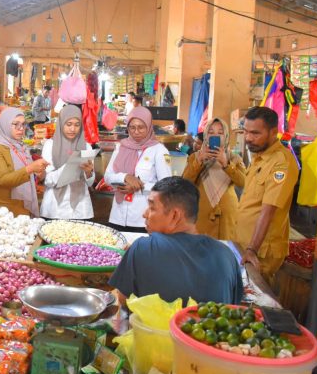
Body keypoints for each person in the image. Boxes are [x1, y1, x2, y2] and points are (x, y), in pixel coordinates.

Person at [109, 177, 243, 304]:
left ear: (174, 216)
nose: (145, 214)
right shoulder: (226, 254)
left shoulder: (142, 247)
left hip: (154, 328)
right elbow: (233, 303)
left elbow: (124, 299)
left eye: (152, 207)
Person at [231, 107, 299, 282]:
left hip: (260, 250)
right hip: (244, 243)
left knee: (255, 299)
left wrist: (252, 249)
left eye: (255, 133)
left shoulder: (281, 163)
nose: (248, 138)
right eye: (245, 132)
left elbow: (268, 210)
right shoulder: (259, 157)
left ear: (273, 132)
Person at [105, 106, 172, 232]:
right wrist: (125, 177)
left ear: (148, 126)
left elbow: (166, 186)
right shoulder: (121, 147)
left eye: (141, 127)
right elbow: (108, 177)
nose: (136, 131)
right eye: (132, 127)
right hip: (118, 216)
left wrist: (138, 186)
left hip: (143, 219)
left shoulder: (159, 150)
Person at [182, 118, 246, 240]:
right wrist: (199, 161)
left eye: (220, 133)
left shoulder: (234, 158)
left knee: (225, 251)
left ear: (226, 136)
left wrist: (226, 164)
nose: (215, 135)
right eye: (211, 132)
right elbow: (185, 182)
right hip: (201, 213)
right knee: (201, 251)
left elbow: (243, 182)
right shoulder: (195, 157)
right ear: (206, 135)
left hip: (227, 216)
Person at [0, 108, 48, 216]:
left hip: (21, 209)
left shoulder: (20, 147)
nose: (21, 129)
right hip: (2, 212)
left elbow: (24, 174)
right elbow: (2, 180)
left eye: (23, 125)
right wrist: (30, 169)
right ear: (5, 124)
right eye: (15, 124)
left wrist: (38, 174)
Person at [40, 105, 96, 219]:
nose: (73, 129)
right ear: (61, 124)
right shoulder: (50, 145)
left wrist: (89, 173)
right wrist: (69, 167)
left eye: (77, 125)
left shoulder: (86, 146)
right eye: (68, 124)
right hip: (55, 207)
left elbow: (90, 183)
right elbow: (47, 180)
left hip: (80, 208)